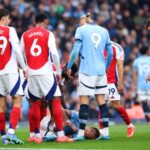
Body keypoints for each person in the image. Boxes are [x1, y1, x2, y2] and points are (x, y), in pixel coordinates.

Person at [20, 12, 73, 143]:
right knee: (55, 100)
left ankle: (36, 136)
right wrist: (59, 71)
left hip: (31, 73)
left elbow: (20, 53)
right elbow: (54, 53)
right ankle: (61, 135)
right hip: (45, 72)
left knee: (35, 103)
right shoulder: (48, 33)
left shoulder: (25, 35)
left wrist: (25, 68)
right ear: (45, 21)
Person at [67, 13, 113, 140]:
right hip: (100, 71)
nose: (78, 22)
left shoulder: (81, 30)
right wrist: (106, 67)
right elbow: (110, 53)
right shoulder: (104, 30)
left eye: (79, 20)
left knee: (84, 102)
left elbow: (75, 51)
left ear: (84, 20)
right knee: (102, 102)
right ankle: (106, 133)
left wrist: (69, 66)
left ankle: (81, 134)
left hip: (87, 71)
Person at [0, 9, 27, 145]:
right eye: (8, 18)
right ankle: (11, 133)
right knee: (17, 100)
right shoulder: (9, 30)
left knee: (1, 105)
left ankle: (3, 137)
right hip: (10, 71)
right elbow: (16, 49)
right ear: (4, 18)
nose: (9, 21)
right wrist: (24, 67)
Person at [98, 41, 135, 138]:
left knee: (116, 105)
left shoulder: (116, 47)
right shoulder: (96, 46)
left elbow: (120, 66)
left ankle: (130, 126)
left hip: (111, 81)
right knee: (101, 104)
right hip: (99, 80)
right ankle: (102, 131)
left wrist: (120, 83)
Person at [133, 46, 150, 124]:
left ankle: (147, 119)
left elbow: (134, 74)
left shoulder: (136, 61)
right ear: (147, 51)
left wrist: (134, 84)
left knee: (143, 102)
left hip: (141, 84)